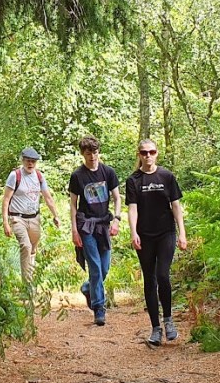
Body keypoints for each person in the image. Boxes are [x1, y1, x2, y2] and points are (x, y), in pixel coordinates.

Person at [126, 139, 187, 346]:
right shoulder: (133, 180)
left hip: (166, 233)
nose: (148, 156)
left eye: (151, 152)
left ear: (157, 153)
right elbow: (132, 208)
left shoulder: (167, 176)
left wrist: (182, 233)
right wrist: (133, 232)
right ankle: (155, 327)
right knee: (149, 279)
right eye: (144, 153)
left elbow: (176, 206)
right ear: (139, 155)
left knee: (162, 274)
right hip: (145, 235)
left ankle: (169, 320)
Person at [68, 136, 121, 326]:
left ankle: (87, 287)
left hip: (103, 224)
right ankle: (99, 308)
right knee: (95, 266)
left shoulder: (108, 172)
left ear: (99, 152)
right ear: (83, 154)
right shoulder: (77, 176)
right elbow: (73, 205)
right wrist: (74, 230)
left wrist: (116, 220)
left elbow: (117, 198)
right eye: (88, 153)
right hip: (86, 225)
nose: (92, 157)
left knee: (104, 267)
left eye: (95, 152)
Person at [2, 148, 61, 295]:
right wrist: (5, 222)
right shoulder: (15, 176)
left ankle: (31, 280)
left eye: (33, 161)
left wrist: (56, 215)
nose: (31, 163)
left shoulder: (39, 176)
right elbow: (6, 199)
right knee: (26, 247)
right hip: (17, 218)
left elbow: (47, 197)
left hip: (34, 218)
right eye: (28, 160)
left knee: (33, 250)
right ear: (23, 160)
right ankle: (27, 287)